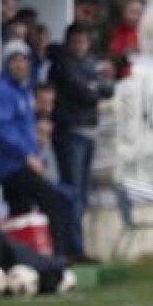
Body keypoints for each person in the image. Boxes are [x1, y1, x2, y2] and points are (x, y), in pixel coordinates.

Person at [0, 40, 76, 260]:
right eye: (14, 60)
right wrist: (26, 157)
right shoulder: (2, 92)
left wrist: (36, 152)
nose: (19, 65)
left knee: (21, 210)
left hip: (23, 161)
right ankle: (57, 256)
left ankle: (27, 258)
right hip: (10, 165)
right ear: (6, 63)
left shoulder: (23, 91)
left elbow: (24, 129)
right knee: (53, 200)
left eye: (23, 59)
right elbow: (2, 130)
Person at [49, 22, 114, 263]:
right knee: (73, 193)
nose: (80, 47)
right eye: (76, 42)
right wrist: (94, 83)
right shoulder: (63, 65)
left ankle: (75, 245)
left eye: (83, 42)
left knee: (83, 195)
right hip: (71, 132)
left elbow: (107, 88)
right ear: (68, 42)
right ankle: (72, 248)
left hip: (88, 133)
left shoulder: (89, 63)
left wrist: (95, 83)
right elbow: (84, 91)